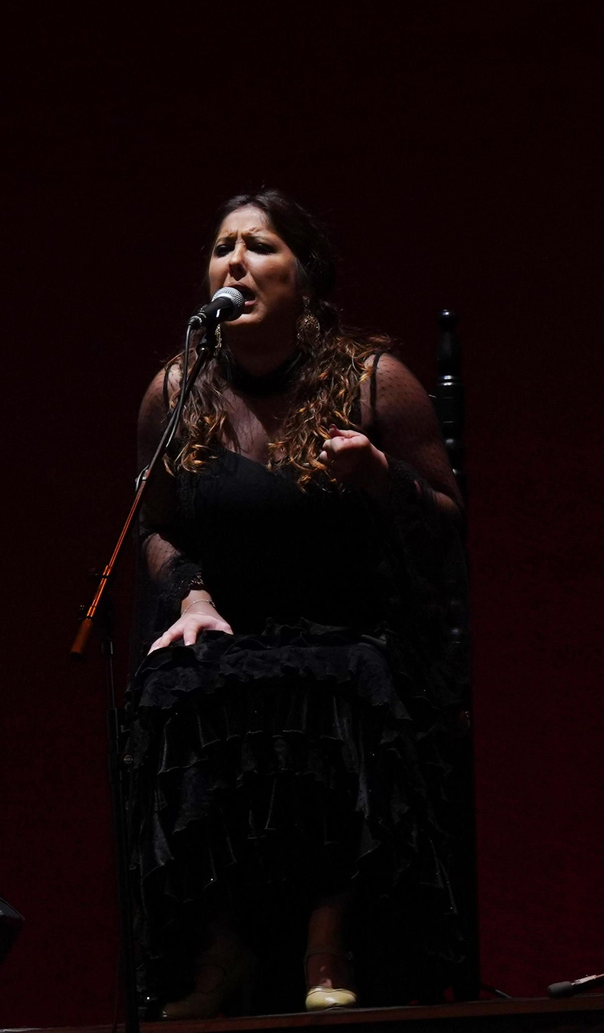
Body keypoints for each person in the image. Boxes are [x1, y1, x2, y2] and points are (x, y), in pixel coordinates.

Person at [128, 190, 469, 1016]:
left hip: (354, 625)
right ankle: (221, 949)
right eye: (222, 248)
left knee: (338, 686)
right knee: (175, 688)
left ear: (304, 277)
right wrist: (193, 594)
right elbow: (154, 525)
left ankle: (327, 944)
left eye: (260, 246)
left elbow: (449, 525)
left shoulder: (371, 381)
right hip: (229, 624)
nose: (235, 261)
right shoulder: (177, 389)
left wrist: (381, 477)